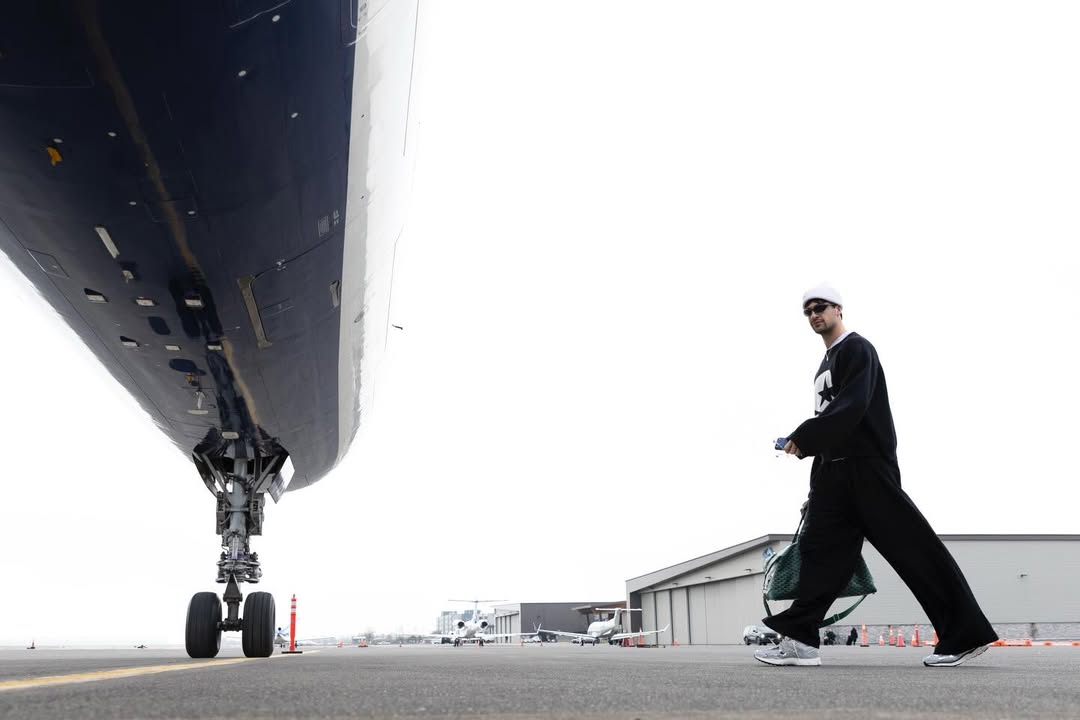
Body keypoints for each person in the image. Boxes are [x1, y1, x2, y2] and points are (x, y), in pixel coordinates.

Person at [754, 285, 997, 668]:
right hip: (834, 476)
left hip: (867, 469)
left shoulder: (857, 348)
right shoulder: (825, 363)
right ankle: (800, 639)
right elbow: (832, 418)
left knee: (913, 550)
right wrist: (816, 481)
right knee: (821, 554)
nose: (815, 315)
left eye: (821, 307)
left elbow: (852, 407)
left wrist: (806, 437)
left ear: (838, 309)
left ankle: (965, 635)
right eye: (808, 311)